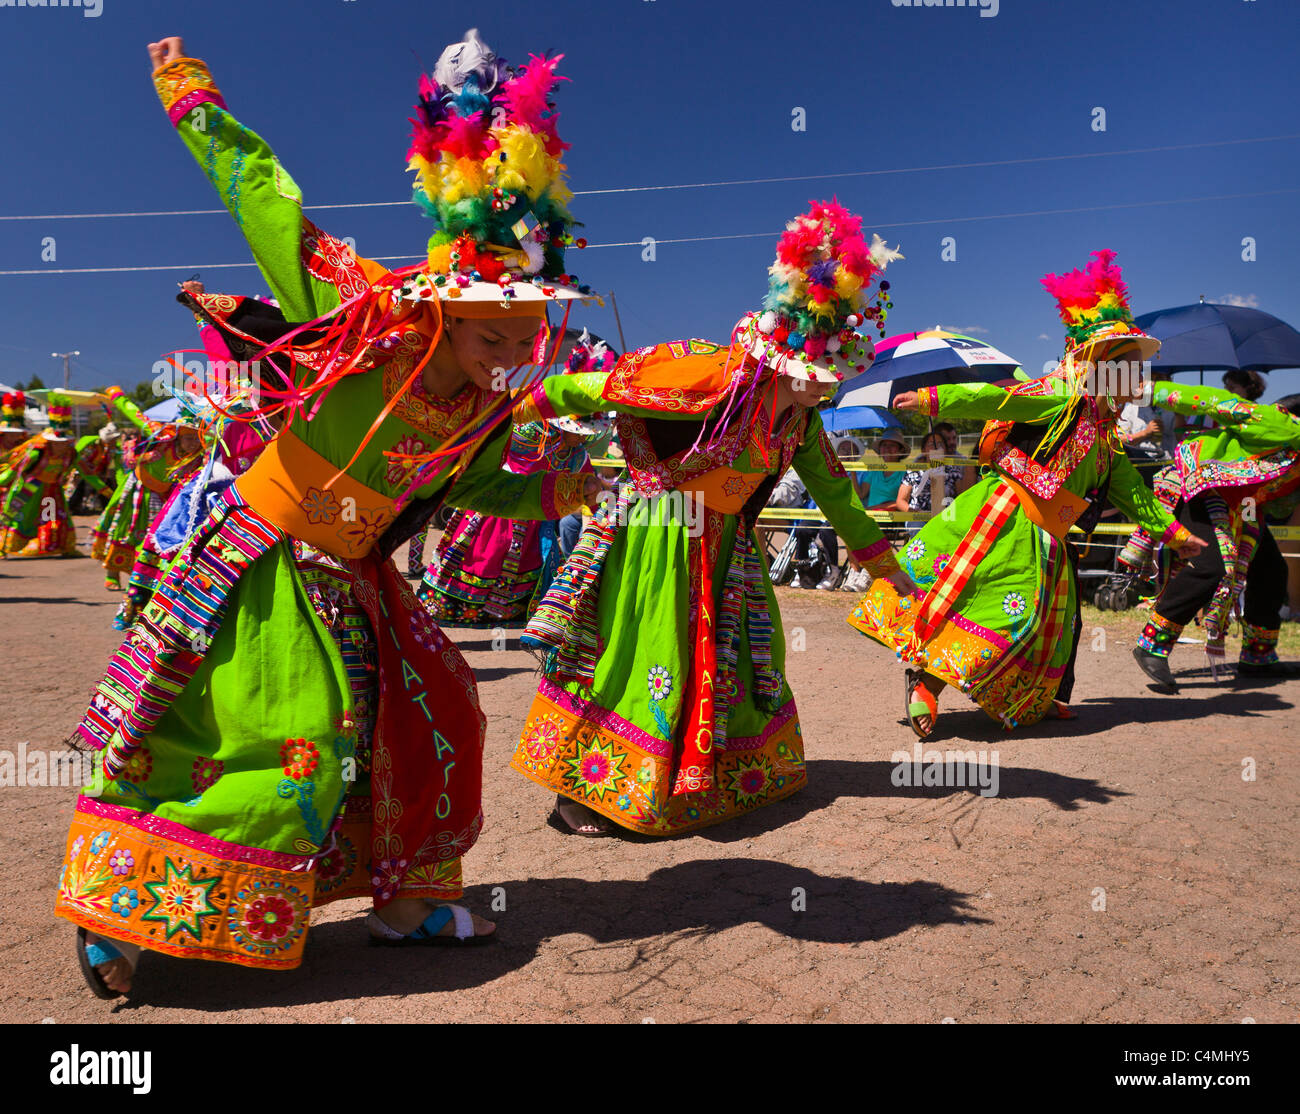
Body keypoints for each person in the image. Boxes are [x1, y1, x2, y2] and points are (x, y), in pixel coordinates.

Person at [58, 30, 606, 997]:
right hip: (262, 559)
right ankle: (131, 909)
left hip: (356, 571)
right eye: (493, 335)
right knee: (284, 744)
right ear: (442, 310)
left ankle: (399, 903)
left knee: (438, 710)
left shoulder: (485, 405)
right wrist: (188, 92)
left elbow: (465, 488)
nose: (511, 356)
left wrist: (564, 488)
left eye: (526, 337)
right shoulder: (365, 320)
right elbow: (264, 198)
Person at [511, 200, 913, 836]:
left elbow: (838, 497)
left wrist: (888, 569)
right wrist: (521, 405)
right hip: (657, 538)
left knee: (749, 658)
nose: (826, 383)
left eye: (835, 371)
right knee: (642, 654)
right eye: (821, 369)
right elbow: (608, 386)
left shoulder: (801, 423)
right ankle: (582, 792)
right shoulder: (716, 385)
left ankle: (723, 772)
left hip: (727, 547)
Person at [849, 250, 1206, 735]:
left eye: (1134, 374)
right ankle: (926, 683)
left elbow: (1135, 497)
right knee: (963, 602)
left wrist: (1176, 535)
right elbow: (998, 397)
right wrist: (935, 398)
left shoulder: (1107, 443)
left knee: (1029, 628)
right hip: (1001, 521)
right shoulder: (1059, 400)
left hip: (1046, 544)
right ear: (1096, 368)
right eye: (1124, 371)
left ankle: (1030, 695)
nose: (1134, 384)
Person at [1124, 380, 1300, 689]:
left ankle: (1257, 657)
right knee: (1210, 566)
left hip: (1243, 504)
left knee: (1271, 570)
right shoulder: (1281, 424)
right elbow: (1219, 401)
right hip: (1206, 485)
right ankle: (1152, 645)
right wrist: (1151, 391)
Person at [0, 393, 111, 558]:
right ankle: (4, 547)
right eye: (59, 442)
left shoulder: (70, 453)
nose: (62, 445)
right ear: (51, 441)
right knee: (16, 517)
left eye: (65, 441)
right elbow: (13, 471)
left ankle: (60, 546)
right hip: (29, 490)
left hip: (53, 491)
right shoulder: (36, 452)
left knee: (55, 519)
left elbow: (87, 474)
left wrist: (105, 490)